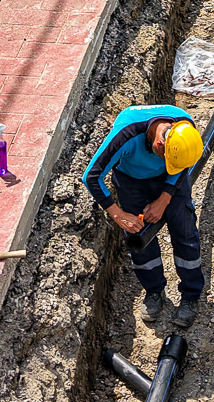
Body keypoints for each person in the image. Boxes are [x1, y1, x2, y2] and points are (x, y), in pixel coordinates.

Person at [83, 103, 207, 326]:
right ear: (159, 143)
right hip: (132, 182)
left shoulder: (184, 129)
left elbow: (180, 167)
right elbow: (91, 176)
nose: (166, 163)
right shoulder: (126, 135)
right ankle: (153, 291)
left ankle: (190, 296)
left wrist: (165, 197)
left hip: (170, 183)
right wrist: (118, 214)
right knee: (139, 238)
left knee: (185, 232)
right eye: (164, 158)